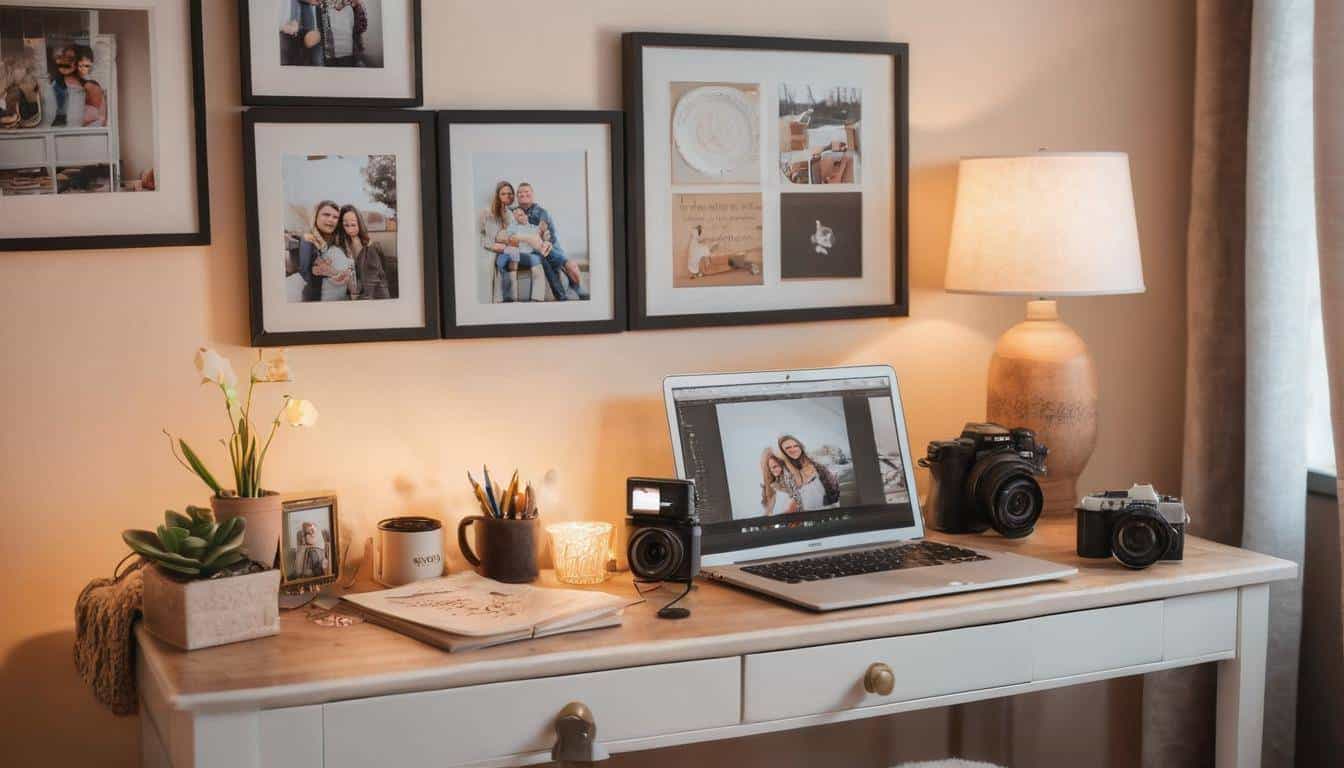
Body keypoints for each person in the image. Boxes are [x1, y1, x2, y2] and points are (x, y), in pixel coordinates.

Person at [516, 182, 589, 300]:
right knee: (550, 265)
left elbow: (542, 230)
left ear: (532, 194)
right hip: (534, 249)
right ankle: (564, 294)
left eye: (526, 192)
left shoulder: (541, 212)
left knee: (572, 266)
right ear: (517, 196)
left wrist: (542, 238)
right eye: (520, 192)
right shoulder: (514, 212)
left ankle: (578, 288)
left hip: (550, 247)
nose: (523, 194)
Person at [479, 181, 548, 302]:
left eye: (510, 193)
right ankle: (511, 299)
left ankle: (537, 300)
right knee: (512, 256)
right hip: (501, 250)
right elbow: (491, 241)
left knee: (537, 262)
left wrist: (539, 236)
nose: (508, 196)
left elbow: (517, 233)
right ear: (498, 196)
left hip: (515, 249)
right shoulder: (490, 214)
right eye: (503, 194)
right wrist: (508, 245)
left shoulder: (511, 213)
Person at [337, 205, 391, 300]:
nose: (350, 229)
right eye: (346, 225)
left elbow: (375, 281)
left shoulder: (371, 248)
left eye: (353, 224)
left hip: (374, 297)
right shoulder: (342, 246)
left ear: (359, 223)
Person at [778, 435, 841, 510]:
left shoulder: (812, 459)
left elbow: (832, 451)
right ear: (783, 452)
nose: (793, 449)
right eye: (787, 448)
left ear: (800, 447)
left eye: (795, 446)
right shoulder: (786, 471)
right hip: (808, 511)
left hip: (829, 505)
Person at [298, 200, 342, 302]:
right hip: (316, 298)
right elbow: (305, 273)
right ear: (316, 216)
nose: (331, 220)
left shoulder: (335, 240)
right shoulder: (309, 239)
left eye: (335, 217)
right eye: (326, 215)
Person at [760, 449, 802, 516]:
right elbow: (771, 501)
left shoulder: (789, 475)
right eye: (770, 468)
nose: (772, 470)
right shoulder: (776, 481)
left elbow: (797, 497)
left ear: (781, 464)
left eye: (775, 466)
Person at [49, 45, 81, 127]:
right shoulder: (55, 84)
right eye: (64, 57)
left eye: (71, 58)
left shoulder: (84, 83)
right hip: (61, 124)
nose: (66, 61)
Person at [76, 51, 106, 127]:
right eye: (80, 65)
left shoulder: (90, 85)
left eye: (86, 65)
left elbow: (96, 114)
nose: (82, 68)